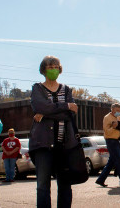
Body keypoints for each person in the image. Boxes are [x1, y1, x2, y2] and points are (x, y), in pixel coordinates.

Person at [29, 55, 81, 208]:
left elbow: (70, 114)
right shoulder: (37, 88)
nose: (53, 69)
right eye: (50, 67)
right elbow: (40, 107)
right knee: (43, 185)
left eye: (56, 67)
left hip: (65, 144)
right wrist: (65, 106)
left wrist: (46, 113)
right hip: (43, 145)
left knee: (65, 185)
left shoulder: (66, 90)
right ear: (44, 70)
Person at [95, 104, 120, 187]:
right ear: (112, 110)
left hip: (117, 141)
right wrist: (113, 127)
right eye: (117, 111)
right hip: (110, 141)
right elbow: (106, 132)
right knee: (119, 160)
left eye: (119, 111)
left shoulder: (118, 117)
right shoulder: (107, 118)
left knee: (111, 162)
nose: (118, 113)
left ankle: (100, 179)